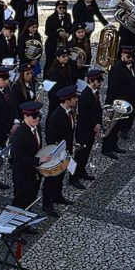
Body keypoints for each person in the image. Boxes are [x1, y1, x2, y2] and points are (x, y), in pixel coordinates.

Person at [42, 86, 78, 217]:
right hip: (56, 153)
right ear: (67, 100)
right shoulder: (57, 116)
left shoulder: (70, 111)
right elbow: (50, 137)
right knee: (52, 177)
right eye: (74, 98)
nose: (76, 100)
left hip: (66, 150)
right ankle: (47, 204)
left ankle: (57, 195)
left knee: (60, 176)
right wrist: (57, 152)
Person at [10, 101, 45, 210]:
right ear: (25, 116)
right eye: (34, 116)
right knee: (21, 201)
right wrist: (38, 160)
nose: (37, 119)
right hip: (23, 175)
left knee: (31, 197)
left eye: (38, 116)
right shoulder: (20, 135)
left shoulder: (36, 127)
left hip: (34, 172)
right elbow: (18, 158)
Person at [101, 46, 135, 158]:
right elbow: (113, 89)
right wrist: (110, 105)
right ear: (122, 55)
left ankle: (114, 145)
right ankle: (106, 149)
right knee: (111, 126)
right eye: (128, 56)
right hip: (117, 102)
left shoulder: (128, 67)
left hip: (125, 101)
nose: (131, 59)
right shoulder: (117, 69)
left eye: (132, 57)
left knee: (117, 126)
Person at [73, 69, 103, 185]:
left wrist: (99, 123)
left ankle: (81, 171)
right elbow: (85, 115)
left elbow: (98, 109)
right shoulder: (85, 95)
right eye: (98, 81)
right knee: (80, 154)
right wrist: (94, 125)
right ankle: (73, 177)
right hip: (84, 130)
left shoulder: (94, 92)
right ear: (91, 81)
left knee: (86, 153)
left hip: (91, 129)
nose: (100, 83)